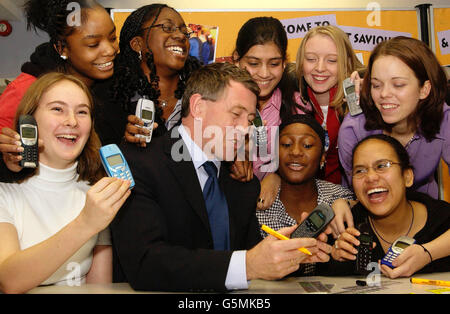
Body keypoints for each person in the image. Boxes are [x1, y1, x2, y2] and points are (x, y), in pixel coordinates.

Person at [110, 62, 331, 292]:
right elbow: (145, 264)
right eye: (235, 114)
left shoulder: (243, 183)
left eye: (249, 119)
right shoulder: (138, 165)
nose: (245, 129)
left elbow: (255, 259)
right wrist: (247, 265)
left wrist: (289, 253)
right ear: (198, 107)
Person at [0, 73, 131, 293]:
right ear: (29, 120)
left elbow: (99, 287)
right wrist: (87, 223)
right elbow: (8, 280)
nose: (72, 121)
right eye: (57, 109)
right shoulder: (6, 194)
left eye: (82, 112)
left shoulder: (97, 192)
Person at [0, 0, 118, 173]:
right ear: (62, 48)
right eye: (93, 44)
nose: (110, 50)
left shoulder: (115, 86)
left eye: (113, 38)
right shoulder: (25, 90)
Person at [338, 36, 449, 199]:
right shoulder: (353, 129)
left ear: (424, 89)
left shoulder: (444, 119)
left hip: (426, 207)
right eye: (376, 85)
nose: (383, 94)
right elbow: (360, 192)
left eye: (398, 85)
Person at [327, 134, 450, 278]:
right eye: (360, 170)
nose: (371, 177)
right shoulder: (346, 227)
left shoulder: (442, 219)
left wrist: (428, 253)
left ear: (407, 177)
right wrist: (334, 258)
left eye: (382, 166)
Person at [256, 114, 353, 275]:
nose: (295, 152)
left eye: (307, 145)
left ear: (322, 156)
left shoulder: (340, 197)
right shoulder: (258, 206)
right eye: (286, 144)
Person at [93, 3, 202, 146]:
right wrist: (125, 143)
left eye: (184, 32)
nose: (181, 36)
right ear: (138, 44)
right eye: (167, 28)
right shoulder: (109, 98)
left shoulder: (203, 95)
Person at [231, 17, 310, 208]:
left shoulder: (298, 106)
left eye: (273, 63)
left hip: (279, 208)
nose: (264, 73)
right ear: (236, 60)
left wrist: (277, 177)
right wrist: (231, 157)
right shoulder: (217, 103)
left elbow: (307, 163)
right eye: (254, 63)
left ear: (284, 63)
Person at [296, 25, 366, 185]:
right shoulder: (291, 101)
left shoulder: (360, 101)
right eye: (311, 59)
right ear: (300, 62)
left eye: (332, 60)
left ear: (347, 63)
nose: (320, 68)